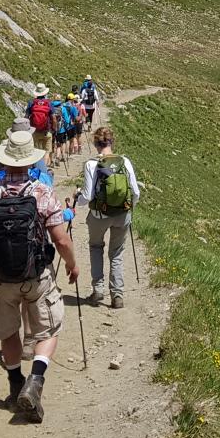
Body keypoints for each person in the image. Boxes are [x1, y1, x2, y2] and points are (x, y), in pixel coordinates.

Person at [0, 125, 79, 423]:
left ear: (3, 161)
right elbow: (61, 238)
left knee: (8, 332)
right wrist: (71, 263)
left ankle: (15, 382)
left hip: (0, 278)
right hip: (36, 275)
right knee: (49, 330)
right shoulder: (42, 193)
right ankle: (36, 381)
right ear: (32, 161)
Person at [79, 126, 140, 309]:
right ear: (112, 141)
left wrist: (77, 198)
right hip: (122, 214)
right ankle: (117, 295)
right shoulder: (124, 161)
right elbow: (135, 191)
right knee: (117, 253)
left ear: (96, 143)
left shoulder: (91, 164)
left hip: (99, 215)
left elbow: (88, 196)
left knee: (96, 247)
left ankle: (98, 290)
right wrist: (129, 207)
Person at [26, 84, 55, 165]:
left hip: (35, 131)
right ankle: (44, 170)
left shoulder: (31, 102)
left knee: (35, 151)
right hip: (47, 131)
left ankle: (36, 168)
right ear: (45, 93)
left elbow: (26, 117)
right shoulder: (49, 103)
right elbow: (53, 118)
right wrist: (54, 128)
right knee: (46, 152)